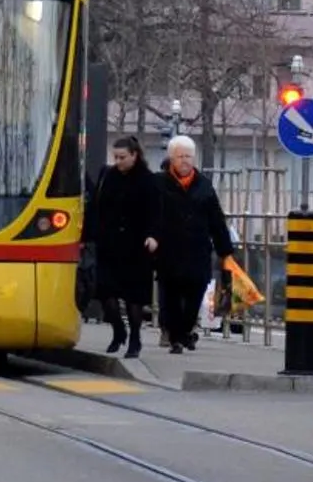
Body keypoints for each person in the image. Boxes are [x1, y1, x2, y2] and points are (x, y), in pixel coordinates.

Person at [153, 134, 234, 353]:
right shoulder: (159, 183)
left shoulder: (204, 185)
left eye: (188, 156)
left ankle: (185, 331)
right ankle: (176, 338)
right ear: (171, 158)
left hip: (197, 251)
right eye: (180, 156)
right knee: (170, 296)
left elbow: (216, 220)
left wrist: (225, 250)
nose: (185, 161)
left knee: (195, 294)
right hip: (168, 251)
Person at [86, 134, 161, 357]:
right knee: (106, 293)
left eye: (122, 157)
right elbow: (97, 207)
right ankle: (118, 330)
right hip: (109, 244)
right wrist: (90, 235)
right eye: (115, 157)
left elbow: (156, 211)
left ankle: (135, 339)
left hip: (136, 246)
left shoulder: (148, 180)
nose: (118, 162)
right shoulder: (108, 176)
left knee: (133, 297)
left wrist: (153, 236)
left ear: (134, 156)